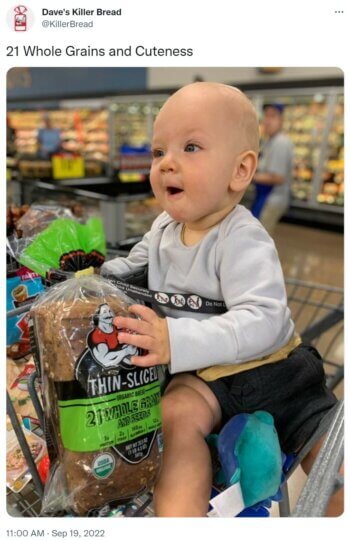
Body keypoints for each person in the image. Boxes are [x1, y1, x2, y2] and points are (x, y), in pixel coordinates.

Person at [100, 82, 341, 517]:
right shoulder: (161, 231)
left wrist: (175, 340)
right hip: (208, 377)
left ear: (240, 171)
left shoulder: (241, 237)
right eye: (158, 153)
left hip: (276, 371)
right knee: (175, 414)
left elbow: (264, 320)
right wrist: (89, 279)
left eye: (190, 147)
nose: (167, 163)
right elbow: (128, 271)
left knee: (326, 447)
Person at [251, 103, 294, 235]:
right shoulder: (270, 141)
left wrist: (248, 177)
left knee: (259, 236)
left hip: (272, 199)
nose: (267, 121)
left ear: (281, 120)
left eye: (273, 116)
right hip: (264, 196)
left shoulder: (281, 142)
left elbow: (277, 178)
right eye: (266, 116)